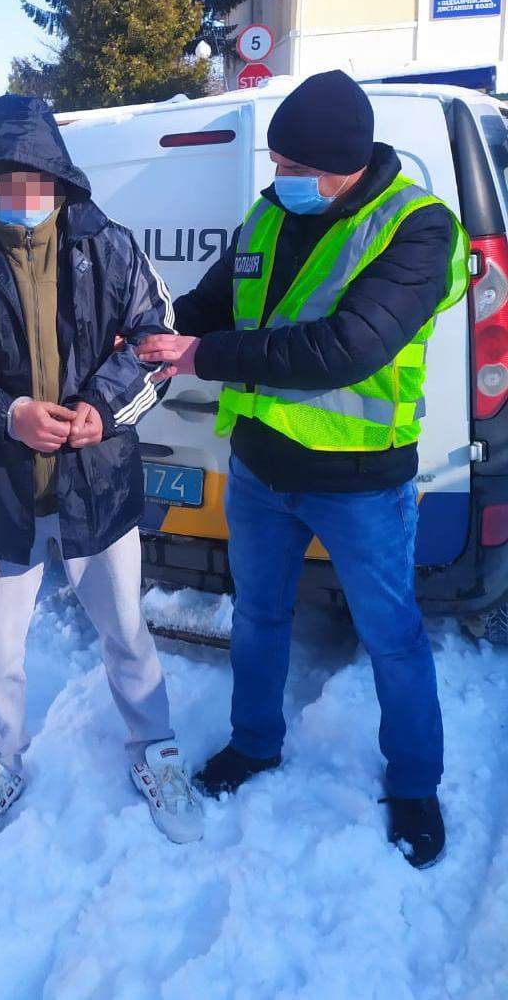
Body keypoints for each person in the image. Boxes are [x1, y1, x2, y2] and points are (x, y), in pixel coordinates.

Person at [138, 70, 469, 869]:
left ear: (344, 164)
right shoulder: (271, 210)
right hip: (258, 470)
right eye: (276, 162)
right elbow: (216, 300)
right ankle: (255, 745)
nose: (278, 177)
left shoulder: (419, 231)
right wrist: (152, 332)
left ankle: (416, 783)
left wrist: (201, 355)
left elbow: (347, 349)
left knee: (392, 636)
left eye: (293, 166)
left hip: (359, 481)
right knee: (258, 617)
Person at [0, 94, 203, 843]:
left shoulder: (108, 245)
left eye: (38, 182)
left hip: (98, 482)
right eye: (4, 182)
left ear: (61, 179)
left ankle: (153, 746)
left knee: (127, 630)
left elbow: (156, 345)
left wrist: (103, 408)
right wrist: (5, 415)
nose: (22, 199)